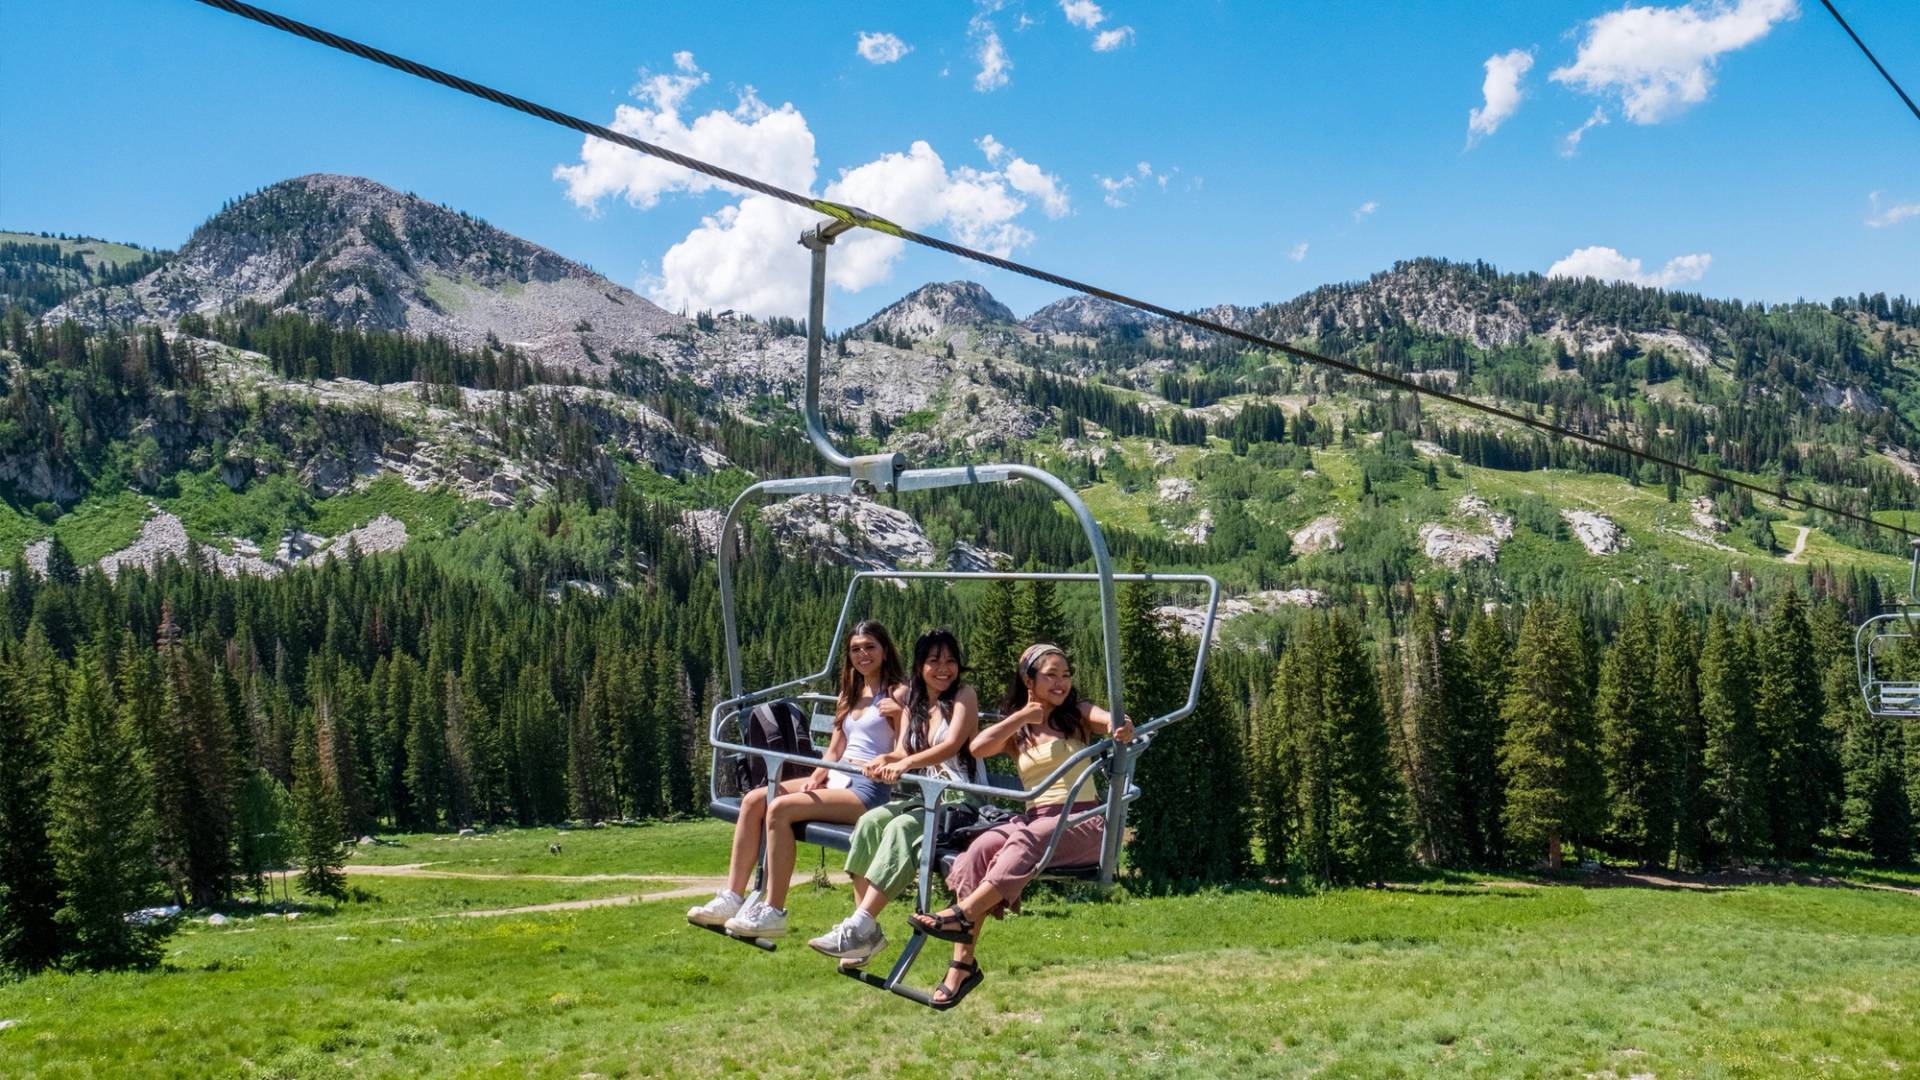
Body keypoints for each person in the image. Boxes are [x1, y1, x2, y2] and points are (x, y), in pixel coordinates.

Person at [907, 642, 1132, 1007]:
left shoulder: (1078, 714)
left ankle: (962, 914)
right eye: (1051, 675)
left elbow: (1111, 721)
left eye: (1066, 675)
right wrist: (1021, 717)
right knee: (980, 848)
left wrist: (1120, 728)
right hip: (1037, 819)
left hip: (1084, 821)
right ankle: (961, 967)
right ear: (1030, 680)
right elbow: (978, 747)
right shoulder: (1021, 731)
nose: (1061, 683)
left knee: (1028, 837)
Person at [686, 620, 906, 940]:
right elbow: (834, 749)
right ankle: (732, 897)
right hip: (837, 777)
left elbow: (904, 750)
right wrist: (817, 774)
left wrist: (893, 732)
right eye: (856, 649)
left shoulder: (898, 693)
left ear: (885, 651)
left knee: (781, 809)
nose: (863, 655)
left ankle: (774, 911)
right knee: (754, 800)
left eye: (870, 647)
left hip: (866, 787)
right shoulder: (850, 692)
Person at [807, 628, 983, 965]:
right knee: (871, 823)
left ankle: (859, 926)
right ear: (920, 667)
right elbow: (904, 747)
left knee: (901, 828)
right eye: (934, 662)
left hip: (961, 799)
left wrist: (904, 763)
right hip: (927, 797)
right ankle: (864, 932)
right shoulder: (916, 702)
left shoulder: (964, 696)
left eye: (950, 661)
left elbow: (951, 745)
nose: (943, 669)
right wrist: (886, 760)